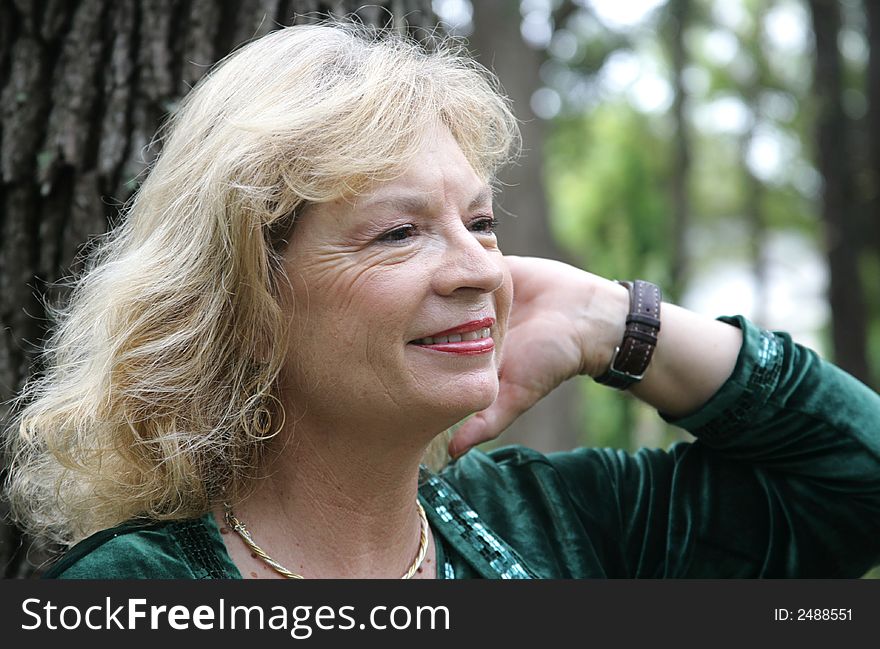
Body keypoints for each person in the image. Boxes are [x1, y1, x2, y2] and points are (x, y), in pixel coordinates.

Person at [5, 22, 880, 580]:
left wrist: (610, 321)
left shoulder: (559, 528)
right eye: (399, 232)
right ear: (249, 294)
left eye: (481, 220)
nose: (480, 270)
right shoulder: (140, 590)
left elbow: (857, 485)